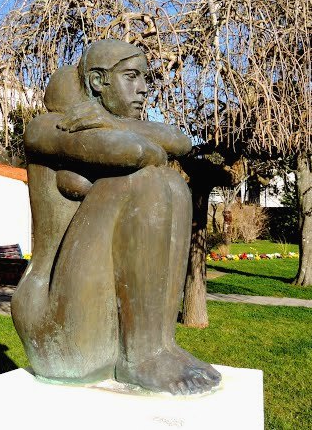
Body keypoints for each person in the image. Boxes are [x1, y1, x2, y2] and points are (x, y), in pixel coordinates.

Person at [11, 39, 221, 395]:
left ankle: (158, 346)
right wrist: (114, 129)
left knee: (172, 183)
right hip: (53, 319)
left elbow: (180, 142)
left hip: (90, 310)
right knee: (145, 183)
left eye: (145, 78)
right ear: (97, 82)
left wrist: (107, 120)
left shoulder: (107, 121)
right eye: (131, 76)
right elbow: (135, 153)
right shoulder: (49, 128)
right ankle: (141, 356)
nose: (143, 88)